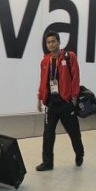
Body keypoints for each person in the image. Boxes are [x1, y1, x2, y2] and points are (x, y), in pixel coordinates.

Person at [36, 31, 84, 171]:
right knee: (48, 134)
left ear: (59, 42)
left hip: (66, 102)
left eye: (53, 41)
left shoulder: (69, 57)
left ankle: (79, 153)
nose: (51, 44)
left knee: (73, 131)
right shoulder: (45, 61)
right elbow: (43, 80)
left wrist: (74, 96)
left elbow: (76, 76)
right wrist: (40, 98)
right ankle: (47, 162)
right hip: (51, 103)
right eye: (48, 42)